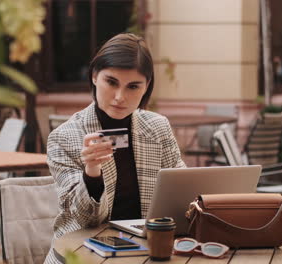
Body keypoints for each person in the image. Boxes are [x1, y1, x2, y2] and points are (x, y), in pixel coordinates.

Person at [44, 33, 186, 263]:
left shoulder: (158, 128)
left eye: (133, 86)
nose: (120, 97)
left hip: (145, 251)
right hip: (80, 254)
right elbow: (83, 220)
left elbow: (181, 190)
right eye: (111, 82)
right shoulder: (64, 137)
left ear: (146, 86)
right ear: (94, 76)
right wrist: (91, 172)